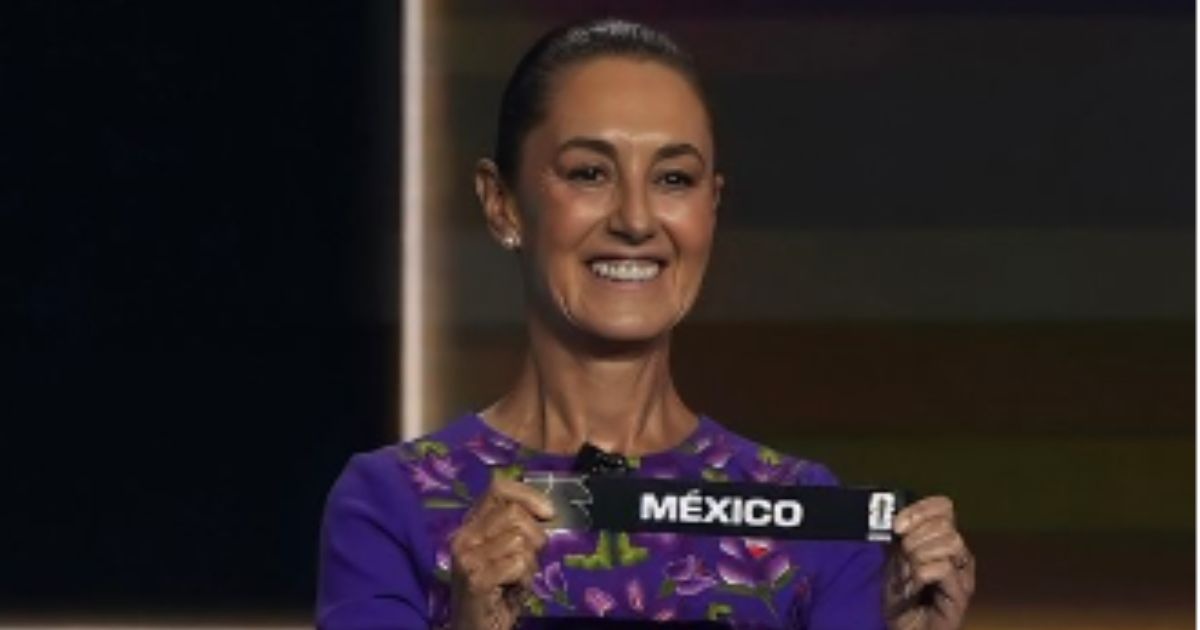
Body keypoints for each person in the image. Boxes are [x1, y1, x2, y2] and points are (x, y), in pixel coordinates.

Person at [317, 18, 974, 630]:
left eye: (673, 179)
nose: (635, 220)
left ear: (711, 206)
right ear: (502, 203)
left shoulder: (811, 516)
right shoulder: (389, 504)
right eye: (589, 173)